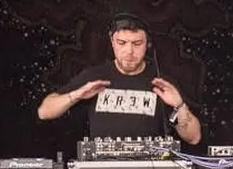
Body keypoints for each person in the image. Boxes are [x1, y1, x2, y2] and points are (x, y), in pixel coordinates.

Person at [38, 14, 202, 146]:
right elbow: (44, 112)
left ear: (148, 44)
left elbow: (194, 138)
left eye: (137, 43)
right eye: (122, 43)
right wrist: (77, 95)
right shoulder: (94, 76)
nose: (129, 51)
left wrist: (179, 105)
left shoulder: (162, 82)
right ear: (112, 42)